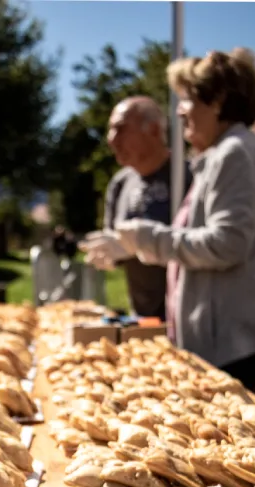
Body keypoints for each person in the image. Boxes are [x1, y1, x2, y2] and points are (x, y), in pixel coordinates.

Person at [83, 49, 255, 392]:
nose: (180, 111)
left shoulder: (235, 153)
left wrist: (143, 238)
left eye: (186, 99)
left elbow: (227, 245)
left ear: (216, 102)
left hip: (229, 341)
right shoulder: (227, 152)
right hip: (222, 338)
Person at [92, 96, 192, 319]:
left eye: (120, 129)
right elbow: (114, 244)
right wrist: (108, 253)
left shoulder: (188, 177)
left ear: (154, 130)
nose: (111, 140)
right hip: (142, 316)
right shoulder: (120, 184)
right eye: (110, 131)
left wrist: (140, 243)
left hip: (186, 317)